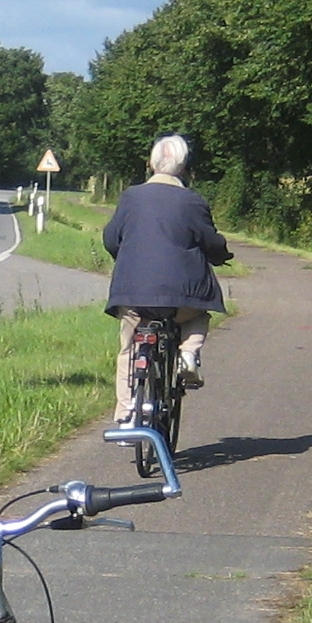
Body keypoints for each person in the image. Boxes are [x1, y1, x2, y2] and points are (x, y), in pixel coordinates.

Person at [101, 135, 231, 417]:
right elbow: (210, 241)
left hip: (133, 295)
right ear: (183, 168)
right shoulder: (192, 200)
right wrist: (222, 256)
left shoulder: (130, 196)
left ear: (150, 164)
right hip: (181, 299)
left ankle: (125, 415)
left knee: (128, 347)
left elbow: (111, 239)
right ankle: (188, 354)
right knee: (198, 316)